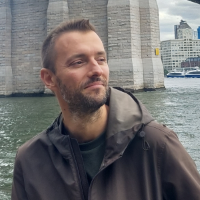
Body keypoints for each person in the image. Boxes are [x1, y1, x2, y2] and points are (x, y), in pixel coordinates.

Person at [12, 19, 200, 200]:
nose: (97, 70)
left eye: (101, 59)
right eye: (78, 62)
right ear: (49, 79)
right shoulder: (29, 159)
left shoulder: (158, 142)